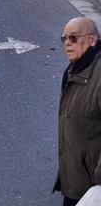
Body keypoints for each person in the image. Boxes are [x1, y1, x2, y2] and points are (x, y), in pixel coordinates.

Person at [55, 16, 101, 205]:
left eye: (73, 38)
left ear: (92, 40)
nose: (67, 43)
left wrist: (99, 182)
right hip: (77, 179)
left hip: (92, 184)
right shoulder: (75, 70)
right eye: (64, 38)